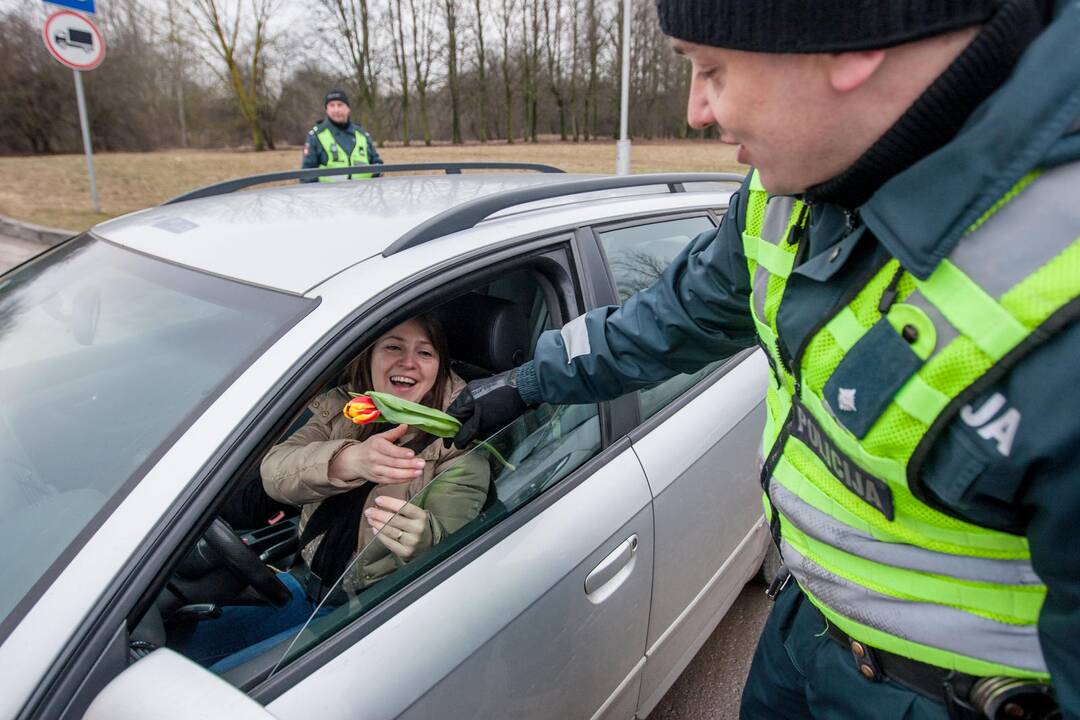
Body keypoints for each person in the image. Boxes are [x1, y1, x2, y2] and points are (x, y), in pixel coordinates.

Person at [447, 1, 1080, 718]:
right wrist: (526, 382)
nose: (695, 111)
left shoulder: (1060, 292)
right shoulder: (790, 192)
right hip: (804, 633)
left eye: (711, 69)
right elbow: (666, 318)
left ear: (853, 40)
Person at [174, 316, 489, 670]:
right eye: (393, 347)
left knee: (217, 682)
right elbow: (274, 471)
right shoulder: (344, 408)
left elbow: (456, 551)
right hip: (305, 584)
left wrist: (427, 539)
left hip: (360, 614)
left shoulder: (461, 443)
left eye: (425, 353)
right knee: (175, 653)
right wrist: (346, 460)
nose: (408, 363)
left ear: (439, 368)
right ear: (369, 356)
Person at [301, 89, 383, 182]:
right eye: (332, 105)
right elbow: (307, 176)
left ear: (348, 108)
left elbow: (377, 166)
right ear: (326, 110)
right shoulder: (316, 135)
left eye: (340, 105)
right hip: (329, 195)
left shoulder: (362, 134)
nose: (336, 109)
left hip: (363, 193)